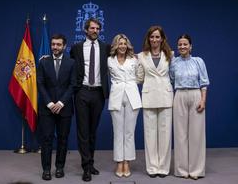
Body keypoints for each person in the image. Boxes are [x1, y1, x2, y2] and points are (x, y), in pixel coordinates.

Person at [70, 18, 110, 182]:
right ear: (85, 30)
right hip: (82, 93)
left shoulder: (105, 47)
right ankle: (86, 167)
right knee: (83, 132)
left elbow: (123, 55)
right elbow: (70, 68)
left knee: (92, 131)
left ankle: (91, 163)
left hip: (98, 93)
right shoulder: (76, 48)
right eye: (92, 28)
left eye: (97, 28)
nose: (95, 31)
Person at [170, 34, 209, 180]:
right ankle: (181, 170)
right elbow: (171, 79)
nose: (182, 47)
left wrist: (203, 100)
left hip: (195, 95)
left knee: (196, 134)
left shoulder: (199, 61)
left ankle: (196, 170)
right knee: (180, 134)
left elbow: (204, 82)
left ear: (190, 46)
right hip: (179, 95)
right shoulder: (174, 62)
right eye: (180, 44)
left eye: (185, 44)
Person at [37, 34, 75, 181]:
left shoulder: (71, 63)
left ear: (64, 46)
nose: (55, 47)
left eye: (58, 44)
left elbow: (73, 84)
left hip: (64, 108)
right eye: (53, 44)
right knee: (46, 139)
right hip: (47, 108)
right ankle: (46, 169)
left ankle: (60, 167)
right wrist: (50, 103)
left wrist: (60, 103)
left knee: (63, 139)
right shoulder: (43, 62)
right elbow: (40, 84)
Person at [137, 26, 173, 178]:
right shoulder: (141, 56)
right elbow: (139, 78)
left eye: (157, 37)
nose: (154, 40)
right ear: (148, 38)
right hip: (149, 97)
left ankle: (163, 168)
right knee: (150, 134)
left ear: (162, 38)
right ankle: (152, 168)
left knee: (165, 135)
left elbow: (173, 76)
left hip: (165, 97)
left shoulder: (170, 55)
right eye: (152, 37)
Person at [108, 34, 142, 178]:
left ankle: (127, 162)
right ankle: (119, 162)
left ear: (127, 45)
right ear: (115, 45)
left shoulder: (134, 59)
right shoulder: (109, 60)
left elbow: (140, 76)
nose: (122, 46)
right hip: (116, 97)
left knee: (129, 132)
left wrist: (132, 83)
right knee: (118, 132)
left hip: (132, 97)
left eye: (124, 43)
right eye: (119, 43)